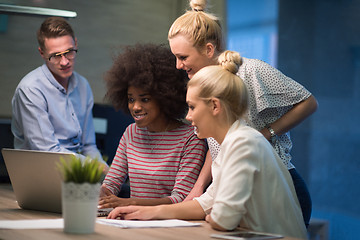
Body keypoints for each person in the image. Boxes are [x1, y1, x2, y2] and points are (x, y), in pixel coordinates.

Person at [107, 50, 308, 240]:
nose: (188, 116)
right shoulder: (230, 144)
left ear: (214, 106)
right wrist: (144, 212)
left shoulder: (244, 143)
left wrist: (215, 215)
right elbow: (204, 204)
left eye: (192, 107)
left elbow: (223, 218)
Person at [167, 0, 318, 227]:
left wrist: (266, 133)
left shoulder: (252, 70)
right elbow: (217, 141)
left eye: (183, 57)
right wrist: (199, 187)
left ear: (209, 49)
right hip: (233, 189)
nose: (178, 65)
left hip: (277, 189)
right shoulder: (204, 84)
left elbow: (308, 102)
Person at [98, 43, 206, 208]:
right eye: (131, 99)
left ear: (164, 98)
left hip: (171, 225)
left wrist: (129, 203)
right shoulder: (131, 133)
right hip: (133, 222)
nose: (136, 107)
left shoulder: (191, 138)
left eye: (145, 99)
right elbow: (112, 183)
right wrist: (93, 193)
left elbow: (181, 198)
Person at [11, 17, 107, 168]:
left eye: (69, 52)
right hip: (42, 174)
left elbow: (89, 146)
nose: (64, 62)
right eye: (56, 55)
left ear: (75, 43)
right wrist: (95, 167)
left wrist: (105, 173)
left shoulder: (83, 85)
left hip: (76, 172)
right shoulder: (30, 90)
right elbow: (47, 153)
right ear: (42, 53)